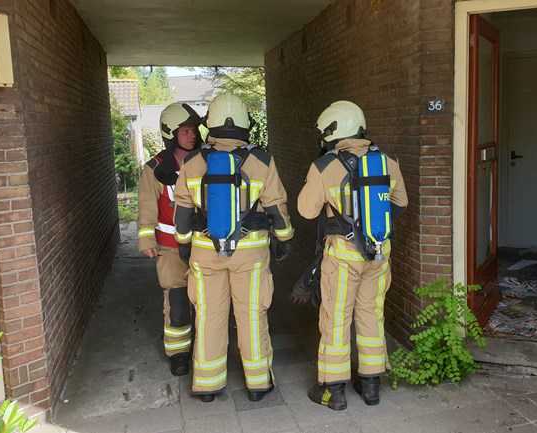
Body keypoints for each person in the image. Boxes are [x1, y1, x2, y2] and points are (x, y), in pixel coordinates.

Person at [173, 92, 294, 403]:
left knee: (209, 315)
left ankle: (208, 385)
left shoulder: (191, 162)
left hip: (204, 253)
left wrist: (185, 247)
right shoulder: (262, 161)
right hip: (250, 255)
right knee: (252, 314)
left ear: (210, 125)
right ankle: (258, 384)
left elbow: (183, 211)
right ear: (245, 124)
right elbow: (276, 208)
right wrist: (285, 240)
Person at [297, 100, 408, 410]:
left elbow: (306, 211)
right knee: (372, 315)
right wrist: (372, 228)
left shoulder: (325, 166)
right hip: (379, 254)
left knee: (336, 318)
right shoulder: (388, 161)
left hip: (343, 258)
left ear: (333, 131)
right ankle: (371, 386)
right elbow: (400, 203)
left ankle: (333, 390)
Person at [137, 102, 204, 377]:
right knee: (177, 303)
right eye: (185, 130)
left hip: (203, 246)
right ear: (170, 133)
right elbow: (146, 206)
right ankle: (179, 354)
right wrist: (146, 240)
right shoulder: (155, 169)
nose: (192, 135)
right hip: (171, 248)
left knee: (205, 301)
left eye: (194, 130)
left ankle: (205, 348)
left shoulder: (207, 162)